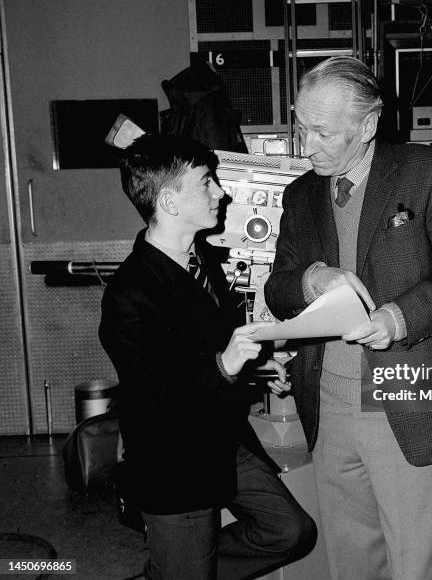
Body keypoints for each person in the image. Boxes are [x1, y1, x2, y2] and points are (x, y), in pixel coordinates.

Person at [264, 57, 432, 580]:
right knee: (352, 561)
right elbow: (278, 288)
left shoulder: (428, 169)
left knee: (419, 562)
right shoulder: (300, 195)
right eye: (301, 126)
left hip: (411, 386)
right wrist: (310, 279)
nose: (307, 144)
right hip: (328, 401)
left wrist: (399, 317)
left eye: (322, 131)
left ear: (367, 126)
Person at [99, 134, 315, 579]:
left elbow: (204, 347)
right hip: (173, 460)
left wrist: (254, 369)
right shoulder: (130, 293)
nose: (222, 191)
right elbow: (156, 397)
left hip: (223, 442)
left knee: (290, 531)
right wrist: (225, 365)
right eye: (206, 181)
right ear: (170, 202)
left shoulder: (203, 262)